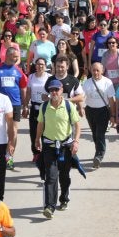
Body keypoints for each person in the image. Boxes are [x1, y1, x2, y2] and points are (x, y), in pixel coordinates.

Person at [35, 79, 81, 219]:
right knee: (51, 177)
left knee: (64, 176)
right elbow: (40, 125)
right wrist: (37, 139)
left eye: (57, 89)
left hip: (65, 147)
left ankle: (64, 199)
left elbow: (77, 125)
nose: (54, 92)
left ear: (62, 90)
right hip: (49, 146)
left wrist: (76, 141)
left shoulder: (69, 106)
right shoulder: (44, 107)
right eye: (51, 90)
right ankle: (50, 206)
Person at [0, 47, 28, 169]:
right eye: (15, 57)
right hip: (0, 104)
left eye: (18, 57)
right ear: (8, 55)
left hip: (15, 104)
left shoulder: (18, 70)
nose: (17, 59)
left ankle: (9, 156)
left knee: (13, 131)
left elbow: (23, 88)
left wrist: (25, 105)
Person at [83, 62, 115, 169]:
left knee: (100, 133)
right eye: (93, 70)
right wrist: (79, 108)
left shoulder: (107, 82)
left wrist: (113, 115)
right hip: (90, 111)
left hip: (103, 111)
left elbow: (111, 100)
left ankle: (99, 155)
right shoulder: (87, 83)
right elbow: (82, 97)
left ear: (102, 71)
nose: (95, 72)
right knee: (94, 133)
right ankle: (99, 149)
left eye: (98, 70)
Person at [23, 57, 49, 164]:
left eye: (42, 64)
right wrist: (25, 106)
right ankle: (36, 153)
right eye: (38, 64)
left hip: (46, 108)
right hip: (34, 107)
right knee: (34, 132)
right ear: (35, 65)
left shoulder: (49, 77)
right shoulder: (31, 77)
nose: (40, 66)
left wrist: (48, 97)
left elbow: (54, 92)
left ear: (45, 66)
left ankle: (46, 153)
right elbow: (28, 92)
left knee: (46, 132)